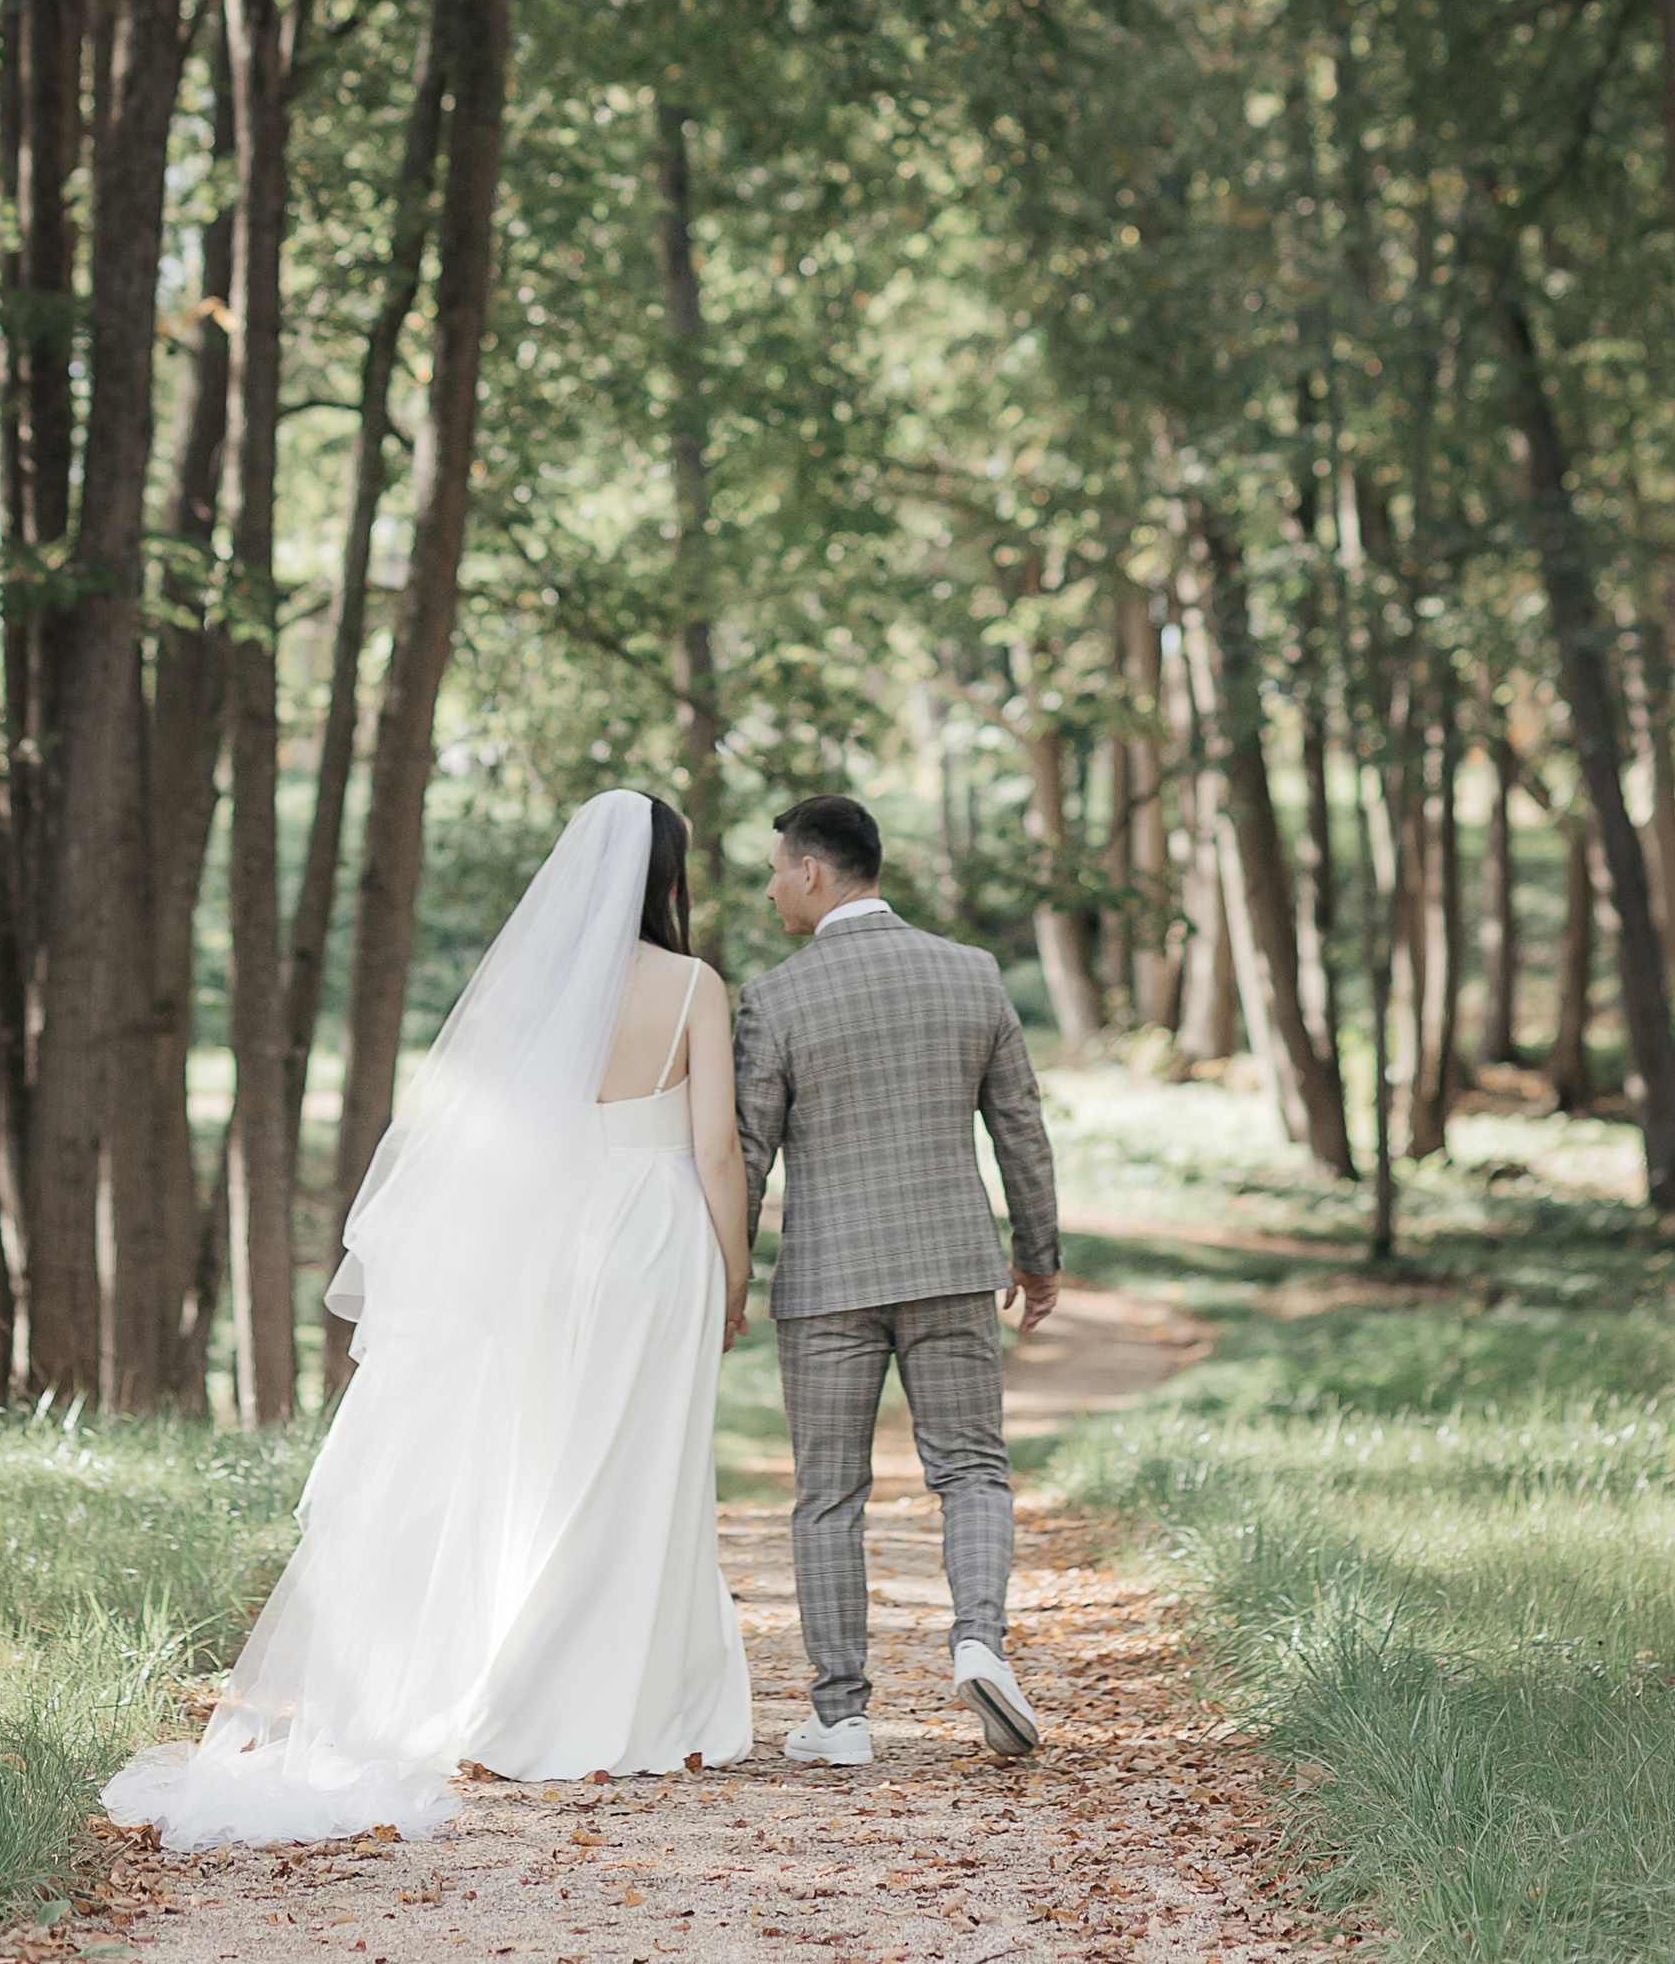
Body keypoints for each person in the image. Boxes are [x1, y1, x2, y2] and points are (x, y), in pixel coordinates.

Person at [101, 789, 753, 1844]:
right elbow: (716, 1149)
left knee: (543, 1460)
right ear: (667, 877)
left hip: (551, 1240)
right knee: (636, 1463)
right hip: (652, 1239)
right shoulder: (693, 987)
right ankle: (600, 1693)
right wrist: (733, 1272)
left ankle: (507, 1677)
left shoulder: (541, 990)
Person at [733, 792, 1062, 1770]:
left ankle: (840, 1718)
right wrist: (1037, 1255)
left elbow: (747, 1154)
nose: (768, 886)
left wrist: (725, 1278)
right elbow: (1020, 1127)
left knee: (828, 1494)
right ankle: (978, 1644)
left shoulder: (777, 996)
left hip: (827, 1279)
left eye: (774, 868)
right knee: (971, 1468)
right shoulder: (972, 975)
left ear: (814, 873)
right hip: (952, 1265)